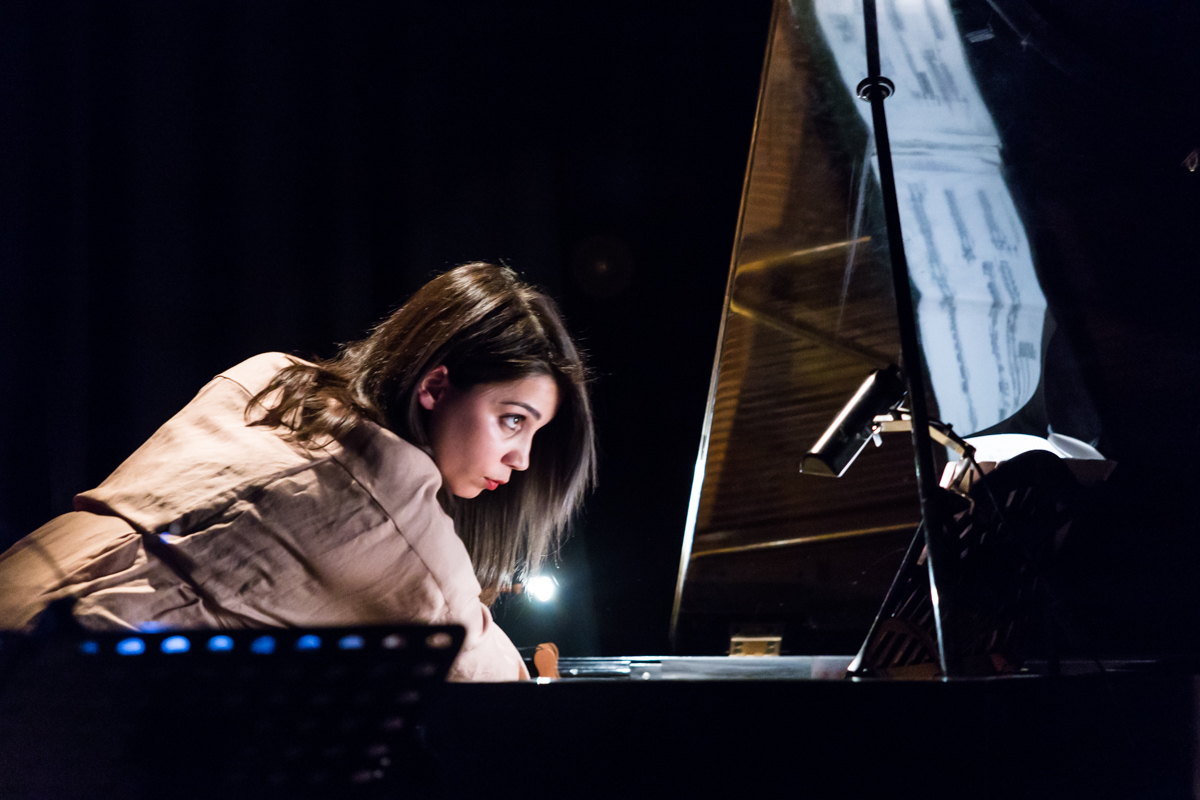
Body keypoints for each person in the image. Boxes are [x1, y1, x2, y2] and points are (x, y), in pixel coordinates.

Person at [0, 263, 595, 681]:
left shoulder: (269, 378)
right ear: (437, 385)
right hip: (58, 688)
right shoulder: (391, 505)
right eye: (513, 421)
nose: (521, 458)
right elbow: (490, 686)